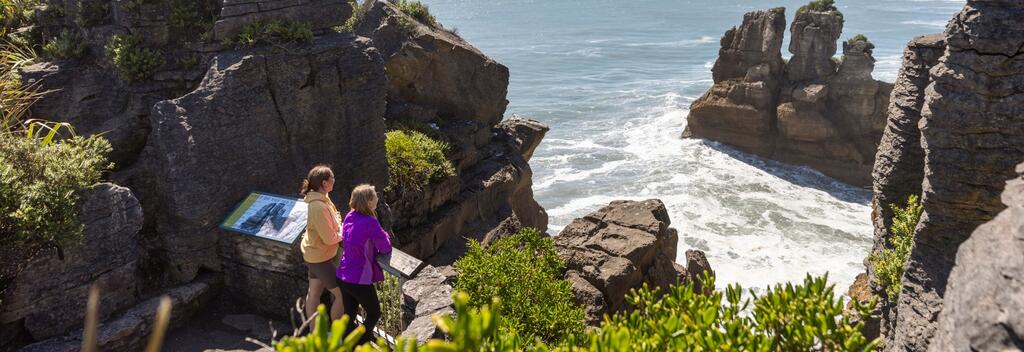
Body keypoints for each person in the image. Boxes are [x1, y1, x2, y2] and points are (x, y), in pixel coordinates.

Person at [337, 184, 392, 345]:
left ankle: (347, 345)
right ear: (369, 202)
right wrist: (385, 235)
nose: (377, 198)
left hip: (343, 274)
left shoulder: (350, 215)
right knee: (374, 312)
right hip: (358, 277)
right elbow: (385, 246)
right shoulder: (370, 222)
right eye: (375, 196)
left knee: (349, 315)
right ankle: (361, 343)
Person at [298, 165, 344, 321]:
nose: (334, 181)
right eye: (332, 178)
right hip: (321, 258)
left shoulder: (321, 198)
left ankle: (314, 333)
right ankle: (338, 338)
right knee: (342, 294)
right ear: (324, 183)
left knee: (314, 293)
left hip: (314, 254)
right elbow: (330, 238)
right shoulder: (318, 206)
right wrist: (345, 233)